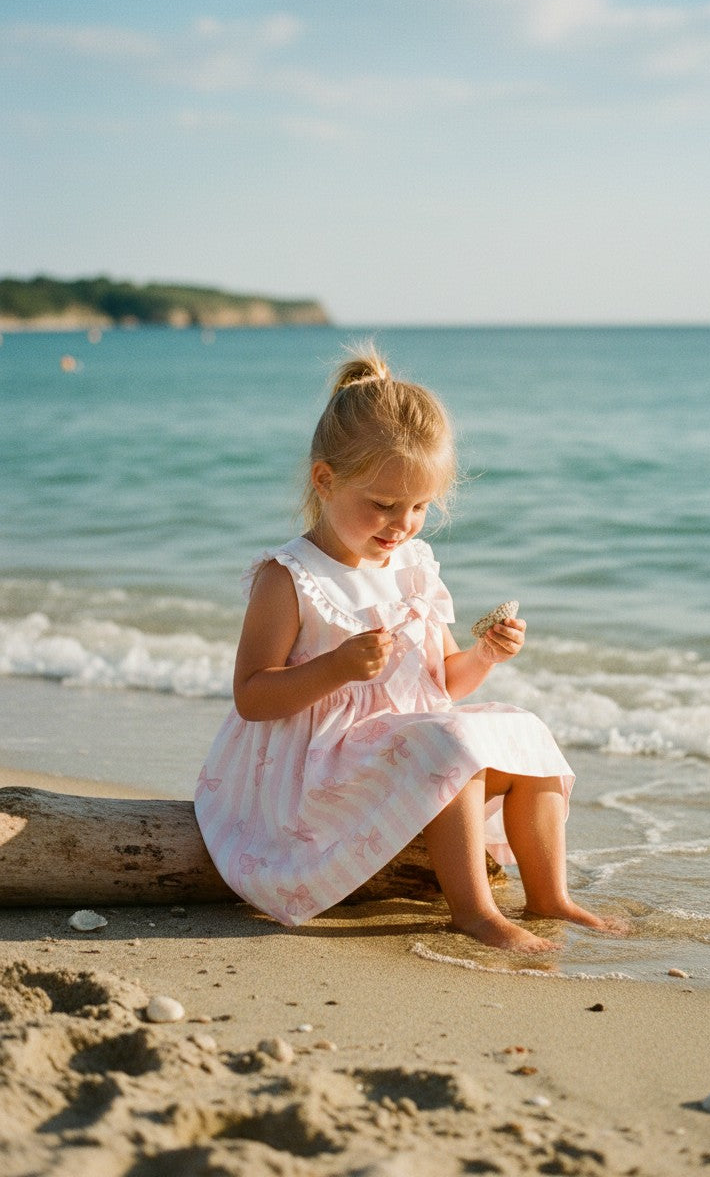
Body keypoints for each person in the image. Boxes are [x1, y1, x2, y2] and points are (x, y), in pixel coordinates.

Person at [195, 344, 618, 952]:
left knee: (526, 731)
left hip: (398, 750)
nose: (401, 524)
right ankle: (473, 913)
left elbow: (442, 683)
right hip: (317, 774)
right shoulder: (289, 577)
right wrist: (337, 667)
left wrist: (484, 656)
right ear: (325, 480)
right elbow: (252, 697)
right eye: (383, 505)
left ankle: (550, 896)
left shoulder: (413, 565)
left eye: (419, 507)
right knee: (448, 745)